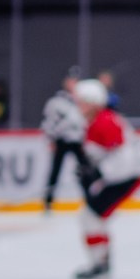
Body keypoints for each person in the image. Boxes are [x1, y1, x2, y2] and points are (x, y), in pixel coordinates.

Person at [64, 77, 140, 279]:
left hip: (128, 175)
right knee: (91, 217)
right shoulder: (96, 121)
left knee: (90, 217)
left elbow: (125, 158)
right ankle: (101, 261)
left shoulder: (105, 121)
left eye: (82, 101)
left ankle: (100, 264)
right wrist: (89, 170)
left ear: (93, 102)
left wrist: (99, 173)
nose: (78, 106)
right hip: (122, 175)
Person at [40, 70, 90, 212]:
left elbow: (87, 122)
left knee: (85, 170)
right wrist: (50, 139)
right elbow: (49, 122)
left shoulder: (83, 101)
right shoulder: (56, 102)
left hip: (77, 140)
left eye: (76, 81)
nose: (73, 84)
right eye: (71, 81)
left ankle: (90, 199)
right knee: (55, 171)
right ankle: (48, 201)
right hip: (61, 140)